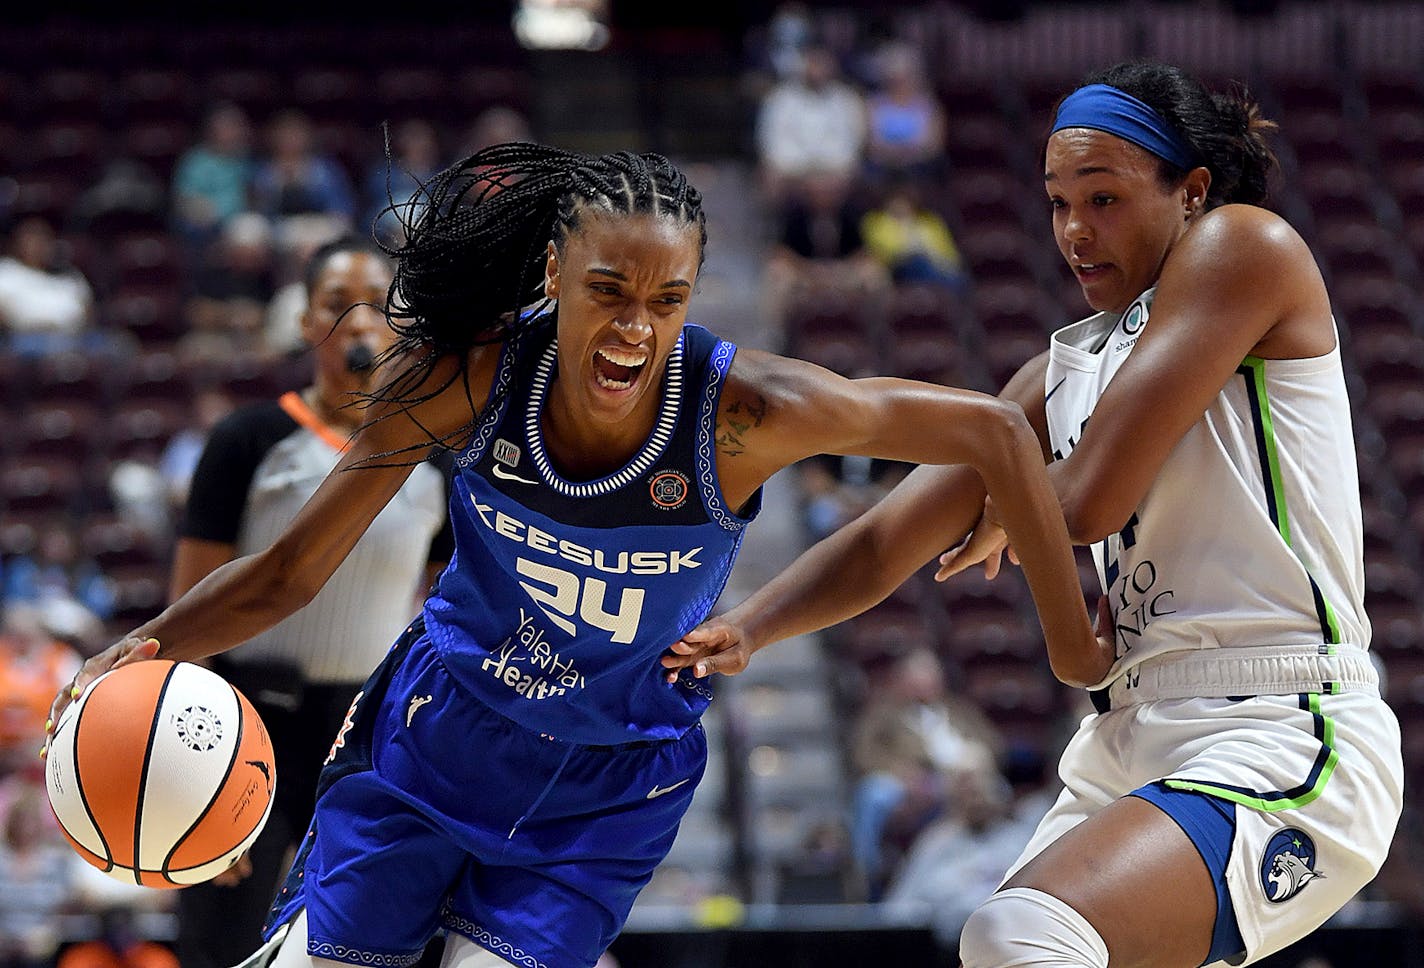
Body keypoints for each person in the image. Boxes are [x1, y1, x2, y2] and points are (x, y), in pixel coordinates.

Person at [45, 143, 1093, 968]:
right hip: (434, 736)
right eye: (609, 291)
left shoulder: (747, 411)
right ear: (554, 272)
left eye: (667, 299)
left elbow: (996, 431)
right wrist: (142, 643)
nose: (636, 327)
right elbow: (289, 572)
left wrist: (1067, 637)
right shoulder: (468, 377)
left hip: (608, 784)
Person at [662, 62, 1403, 968]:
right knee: (1001, 945)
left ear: (1192, 192)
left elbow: (1087, 501)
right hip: (1131, 733)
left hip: (1279, 720)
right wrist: (746, 627)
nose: (1075, 232)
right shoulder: (1070, 366)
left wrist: (1012, 493)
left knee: (1023, 934)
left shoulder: (1243, 246)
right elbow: (892, 536)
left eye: (1105, 199)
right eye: (1058, 203)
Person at [170, 234, 454, 968]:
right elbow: (189, 610)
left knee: (373, 943)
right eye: (337, 305)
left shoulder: (436, 454)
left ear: (401, 324)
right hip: (248, 722)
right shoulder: (247, 439)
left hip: (370, 730)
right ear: (305, 322)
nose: (358, 323)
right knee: (222, 931)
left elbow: (449, 612)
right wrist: (191, 777)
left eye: (376, 307)